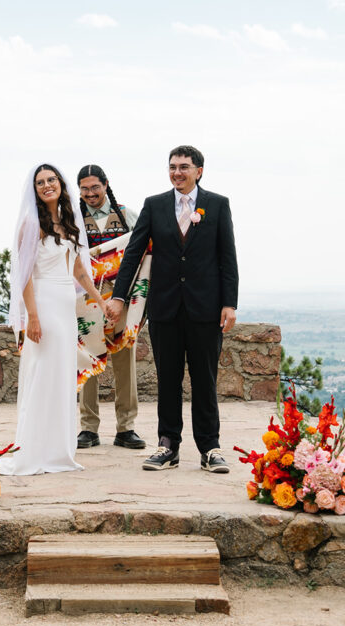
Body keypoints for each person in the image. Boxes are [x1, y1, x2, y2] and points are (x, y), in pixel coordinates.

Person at [105, 145, 238, 474]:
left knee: (205, 380)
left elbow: (227, 258)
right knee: (168, 380)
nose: (177, 172)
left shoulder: (217, 206)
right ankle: (168, 446)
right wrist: (119, 297)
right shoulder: (155, 205)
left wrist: (229, 303)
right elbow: (133, 255)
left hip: (205, 310)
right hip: (164, 309)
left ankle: (210, 448)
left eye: (184, 166)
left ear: (199, 171)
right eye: (173, 166)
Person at [0, 163, 108, 476]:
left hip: (65, 307)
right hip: (43, 305)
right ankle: (32, 452)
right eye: (40, 182)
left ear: (60, 184)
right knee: (41, 376)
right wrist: (32, 317)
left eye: (51, 179)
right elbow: (25, 277)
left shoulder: (69, 222)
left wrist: (100, 301)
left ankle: (58, 451)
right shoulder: (32, 226)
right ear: (34, 190)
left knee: (61, 377)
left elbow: (78, 271)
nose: (47, 185)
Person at [75, 164, 146, 451]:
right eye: (85, 188)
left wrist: (139, 303)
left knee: (124, 361)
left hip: (122, 299)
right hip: (85, 300)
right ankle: (88, 428)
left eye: (95, 187)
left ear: (106, 184)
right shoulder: (75, 220)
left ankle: (126, 428)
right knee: (87, 358)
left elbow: (145, 252)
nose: (90, 193)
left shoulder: (127, 215)